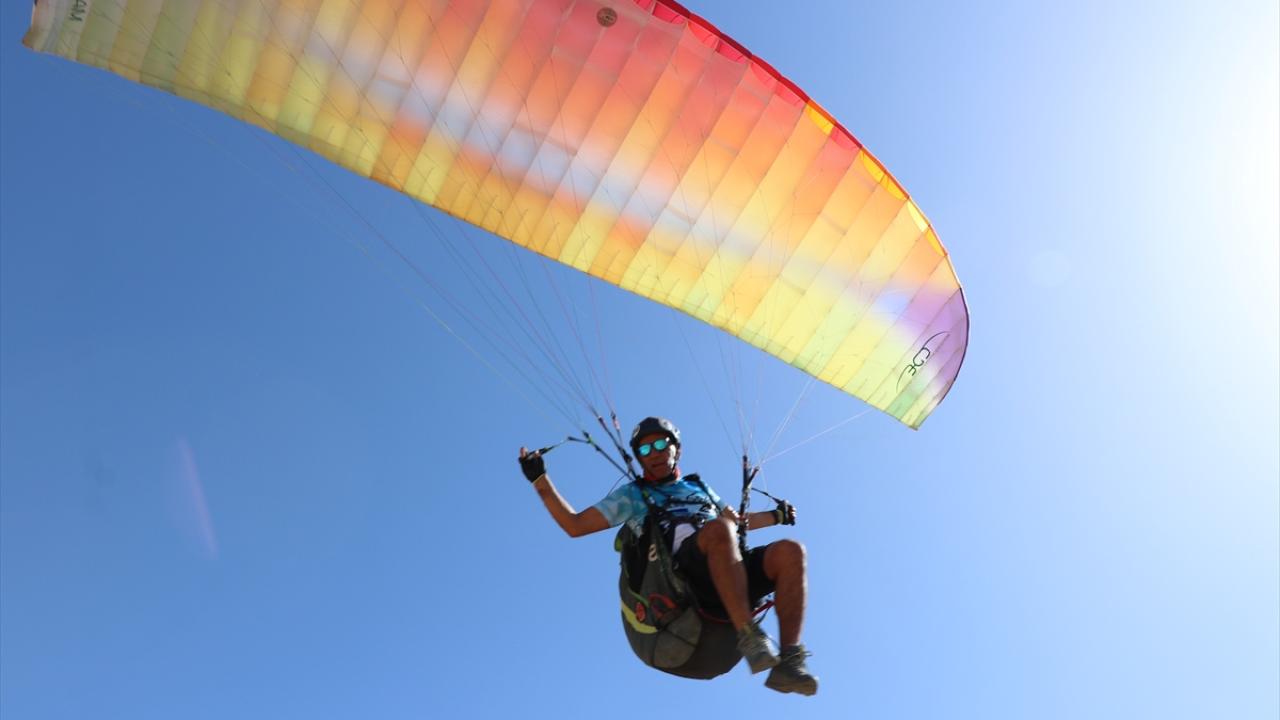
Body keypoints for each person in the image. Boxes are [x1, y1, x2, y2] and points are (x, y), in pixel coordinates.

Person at [518, 417, 819, 695]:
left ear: (677, 449)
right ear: (638, 457)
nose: (654, 453)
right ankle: (750, 636)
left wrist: (776, 515)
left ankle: (789, 663)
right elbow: (575, 525)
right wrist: (539, 479)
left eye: (662, 444)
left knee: (790, 552)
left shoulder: (699, 486)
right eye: (645, 449)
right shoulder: (632, 495)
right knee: (718, 532)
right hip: (680, 578)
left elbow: (737, 522)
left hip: (724, 566)